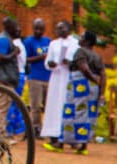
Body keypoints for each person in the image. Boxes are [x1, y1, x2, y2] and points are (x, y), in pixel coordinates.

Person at [58, 29, 105, 155]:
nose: (79, 38)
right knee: (88, 116)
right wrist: (101, 90)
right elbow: (103, 74)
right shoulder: (97, 56)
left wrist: (92, 78)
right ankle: (83, 145)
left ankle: (63, 142)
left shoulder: (80, 51)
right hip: (93, 88)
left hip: (80, 85)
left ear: (87, 41)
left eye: (82, 37)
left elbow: (83, 68)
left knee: (72, 112)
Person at [41, 20, 79, 152]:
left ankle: (71, 139)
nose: (59, 31)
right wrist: (51, 64)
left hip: (69, 77)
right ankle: (54, 137)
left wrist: (70, 62)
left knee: (68, 107)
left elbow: (80, 61)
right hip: (56, 78)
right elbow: (47, 62)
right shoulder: (53, 44)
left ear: (69, 29)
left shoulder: (76, 43)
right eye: (57, 28)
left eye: (61, 28)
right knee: (55, 107)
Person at [0, 17, 21, 142]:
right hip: (4, 78)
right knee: (2, 107)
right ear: (8, 27)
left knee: (4, 107)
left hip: (7, 78)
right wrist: (15, 53)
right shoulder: (3, 39)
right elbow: (0, 57)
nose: (18, 28)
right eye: (15, 26)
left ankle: (0, 133)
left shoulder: (7, 39)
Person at [22, 18, 51, 139]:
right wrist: (39, 58)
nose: (38, 31)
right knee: (36, 105)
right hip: (35, 77)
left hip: (48, 77)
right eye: (36, 28)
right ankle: (36, 127)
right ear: (32, 28)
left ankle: (47, 129)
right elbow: (25, 59)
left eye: (40, 29)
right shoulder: (28, 42)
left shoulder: (48, 41)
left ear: (44, 30)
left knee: (48, 105)